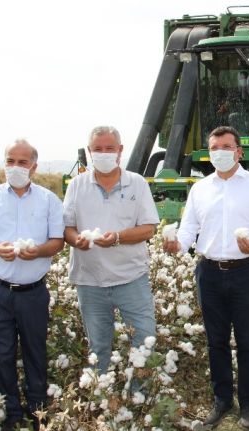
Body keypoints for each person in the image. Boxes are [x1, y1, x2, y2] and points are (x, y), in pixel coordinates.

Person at [163, 126, 249, 429]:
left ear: (239, 151)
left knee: (247, 341)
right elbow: (188, 228)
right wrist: (178, 244)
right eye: (215, 147)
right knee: (216, 342)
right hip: (209, 272)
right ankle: (222, 401)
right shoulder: (200, 188)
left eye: (227, 147)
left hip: (245, 271)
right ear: (209, 152)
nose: (220, 152)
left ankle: (248, 406)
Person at [0, 139, 64, 431]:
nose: (16, 167)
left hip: (33, 291)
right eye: (11, 161)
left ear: (34, 165)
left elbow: (57, 242)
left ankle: (37, 410)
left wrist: (39, 251)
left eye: (22, 162)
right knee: (3, 352)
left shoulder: (48, 200)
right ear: (4, 163)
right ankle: (10, 412)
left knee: (35, 350)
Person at [62, 126, 159, 373]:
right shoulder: (76, 185)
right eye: (98, 149)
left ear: (120, 150)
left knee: (144, 341)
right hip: (90, 281)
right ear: (89, 152)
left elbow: (148, 229)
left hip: (131, 278)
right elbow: (67, 228)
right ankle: (100, 397)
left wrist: (117, 237)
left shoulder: (137, 184)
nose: (103, 154)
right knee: (99, 346)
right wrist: (76, 240)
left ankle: (138, 398)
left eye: (109, 148)